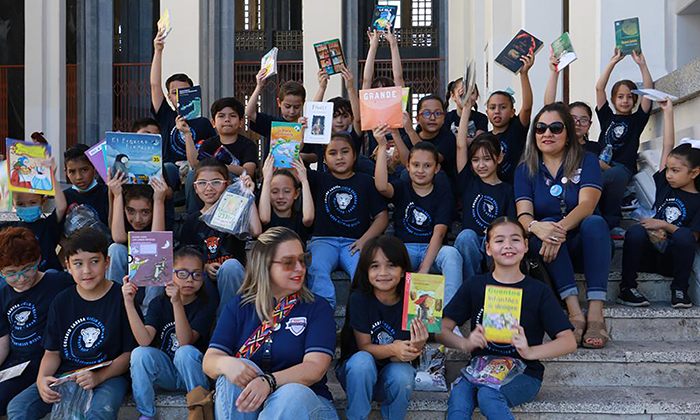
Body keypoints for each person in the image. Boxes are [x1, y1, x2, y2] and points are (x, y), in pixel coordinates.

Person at [436, 216, 577, 420]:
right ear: (488, 248)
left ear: (526, 245)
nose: (508, 246)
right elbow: (441, 328)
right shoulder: (475, 286)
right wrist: (465, 343)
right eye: (499, 240)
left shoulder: (538, 291)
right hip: (480, 370)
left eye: (515, 240)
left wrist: (529, 351)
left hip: (525, 374)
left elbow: (568, 341)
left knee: (488, 394)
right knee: (458, 401)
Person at [202, 227, 338, 420]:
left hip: (310, 406)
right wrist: (226, 363)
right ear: (264, 266)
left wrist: (269, 381)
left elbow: (314, 368)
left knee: (291, 394)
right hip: (254, 408)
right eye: (288, 263)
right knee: (233, 370)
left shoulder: (317, 308)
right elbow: (209, 361)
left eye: (303, 259)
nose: (299, 268)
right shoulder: (239, 307)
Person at [6, 227, 136, 420]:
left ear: (107, 262)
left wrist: (99, 376)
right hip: (66, 374)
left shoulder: (120, 298)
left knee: (99, 412)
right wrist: (42, 379)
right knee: (19, 406)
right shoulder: (61, 301)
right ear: (67, 266)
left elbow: (128, 355)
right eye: (78, 263)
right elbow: (52, 353)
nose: (87, 270)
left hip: (108, 376)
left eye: (94, 261)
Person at [515, 103, 611, 349]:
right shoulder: (526, 169)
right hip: (550, 252)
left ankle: (596, 315)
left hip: (584, 245)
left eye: (555, 128)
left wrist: (556, 232)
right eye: (540, 128)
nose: (547, 134)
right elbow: (524, 215)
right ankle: (575, 313)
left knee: (595, 223)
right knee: (543, 225)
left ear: (568, 132)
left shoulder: (587, 161)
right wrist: (538, 227)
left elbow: (587, 205)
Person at [619, 99, 700, 308]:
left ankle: (680, 290)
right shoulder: (666, 185)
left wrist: (663, 225)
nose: (669, 174)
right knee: (636, 232)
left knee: (683, 234)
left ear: (694, 173)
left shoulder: (698, 200)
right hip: (650, 253)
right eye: (669, 169)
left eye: (676, 170)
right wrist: (668, 112)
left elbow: (692, 237)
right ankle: (627, 287)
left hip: (673, 259)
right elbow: (667, 146)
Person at [336, 235, 427, 420]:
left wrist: (417, 345)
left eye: (391, 265)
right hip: (356, 376)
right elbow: (364, 348)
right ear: (366, 271)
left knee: (403, 374)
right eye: (375, 266)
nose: (383, 272)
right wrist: (395, 347)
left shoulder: (415, 302)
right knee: (362, 361)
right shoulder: (359, 298)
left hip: (390, 373)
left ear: (403, 271)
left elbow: (400, 357)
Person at [123, 247, 216, 420]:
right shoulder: (158, 303)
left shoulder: (206, 305)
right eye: (182, 273)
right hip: (168, 373)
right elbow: (144, 339)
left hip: (193, 373)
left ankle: (199, 409)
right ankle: (146, 414)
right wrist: (128, 302)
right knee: (140, 353)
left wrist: (177, 303)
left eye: (196, 274)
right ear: (169, 274)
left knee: (184, 352)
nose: (189, 280)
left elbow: (185, 341)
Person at [374, 128, 463, 303]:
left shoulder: (443, 193)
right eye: (415, 165)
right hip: (405, 248)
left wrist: (425, 268)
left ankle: (449, 316)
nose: (420, 170)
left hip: (433, 249)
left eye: (427, 165)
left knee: (452, 255)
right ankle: (392, 308)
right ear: (407, 166)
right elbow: (382, 186)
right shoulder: (402, 186)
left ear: (437, 168)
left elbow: (439, 233)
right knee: (385, 256)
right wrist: (382, 147)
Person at [306, 133, 389, 309]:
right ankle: (324, 312)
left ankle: (359, 314)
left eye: (345, 152)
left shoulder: (366, 181)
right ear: (325, 159)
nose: (339, 157)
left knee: (363, 271)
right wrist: (298, 136)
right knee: (317, 267)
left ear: (354, 156)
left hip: (355, 243)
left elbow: (382, 217)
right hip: (323, 241)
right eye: (333, 153)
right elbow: (290, 165)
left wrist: (365, 240)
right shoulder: (319, 179)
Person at [0, 227, 74, 415]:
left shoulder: (58, 282)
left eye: (27, 269)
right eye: (11, 273)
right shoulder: (3, 295)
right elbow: (3, 343)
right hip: (14, 361)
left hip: (42, 359)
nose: (21, 278)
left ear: (38, 260)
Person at [176, 158, 261, 315]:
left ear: (227, 184)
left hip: (233, 278)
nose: (208, 188)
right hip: (204, 280)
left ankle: (227, 322)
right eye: (202, 183)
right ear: (194, 188)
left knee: (230, 266)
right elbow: (186, 256)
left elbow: (256, 231)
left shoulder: (235, 213)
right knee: (197, 272)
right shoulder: (192, 220)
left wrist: (249, 194)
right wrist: (204, 267)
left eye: (216, 182)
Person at [453, 100, 516, 280]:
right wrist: (466, 108)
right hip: (472, 245)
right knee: (466, 236)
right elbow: (460, 145)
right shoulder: (468, 181)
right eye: (475, 160)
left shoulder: (508, 190)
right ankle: (472, 285)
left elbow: (510, 224)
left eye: (487, 159)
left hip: (497, 244)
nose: (481, 165)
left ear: (499, 158)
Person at [595, 49, 653, 230]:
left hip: (621, 169)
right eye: (620, 97)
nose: (625, 100)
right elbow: (599, 88)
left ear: (635, 100)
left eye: (630, 97)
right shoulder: (607, 117)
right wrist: (612, 62)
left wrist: (641, 64)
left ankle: (612, 222)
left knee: (615, 173)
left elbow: (648, 90)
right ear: (613, 100)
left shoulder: (637, 120)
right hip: (601, 166)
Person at [149, 26, 216, 184]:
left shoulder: (203, 123)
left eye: (184, 91)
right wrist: (158, 50)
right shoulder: (166, 115)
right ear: (169, 97)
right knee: (169, 169)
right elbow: (154, 85)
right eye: (174, 92)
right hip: (169, 171)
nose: (179, 95)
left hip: (195, 172)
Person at [182, 97, 259, 213]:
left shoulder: (248, 144)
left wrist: (221, 166)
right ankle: (194, 217)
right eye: (221, 116)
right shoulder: (209, 143)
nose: (227, 120)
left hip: (236, 189)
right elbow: (196, 165)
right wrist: (187, 133)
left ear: (241, 122)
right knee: (193, 175)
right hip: (211, 186)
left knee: (230, 176)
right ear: (213, 123)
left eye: (232, 116)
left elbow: (248, 171)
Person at [106, 172, 169, 310]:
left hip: (152, 268)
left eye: (145, 212)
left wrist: (158, 201)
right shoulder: (121, 211)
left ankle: (149, 314)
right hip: (129, 266)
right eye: (131, 211)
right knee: (115, 249)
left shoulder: (161, 207)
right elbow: (119, 238)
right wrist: (117, 196)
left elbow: (156, 242)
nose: (138, 219)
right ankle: (115, 307)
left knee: (158, 253)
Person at [0, 158, 66, 272]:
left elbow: (61, 206)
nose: (27, 207)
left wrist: (52, 176)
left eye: (33, 202)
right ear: (14, 204)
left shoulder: (48, 225)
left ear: (43, 201)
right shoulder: (10, 228)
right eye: (21, 204)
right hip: (22, 281)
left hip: (48, 277)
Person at [486, 54, 535, 184]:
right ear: (487, 113)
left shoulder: (516, 130)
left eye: (503, 107)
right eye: (492, 108)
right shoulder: (485, 138)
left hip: (516, 187)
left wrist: (523, 74)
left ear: (512, 112)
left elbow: (527, 108)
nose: (497, 111)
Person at [544, 53, 599, 155]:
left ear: (590, 124)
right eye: (573, 118)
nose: (578, 123)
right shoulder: (560, 145)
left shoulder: (596, 148)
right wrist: (554, 72)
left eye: (583, 120)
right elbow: (548, 108)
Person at [259, 155, 314, 242]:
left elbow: (309, 218)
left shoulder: (299, 219)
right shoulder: (268, 217)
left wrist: (304, 180)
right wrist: (266, 180)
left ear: (296, 194)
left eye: (287, 191)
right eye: (275, 192)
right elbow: (264, 218)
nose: (281, 196)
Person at [403, 95, 458, 181]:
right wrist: (395, 133)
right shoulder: (408, 138)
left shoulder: (448, 137)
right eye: (427, 113)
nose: (432, 118)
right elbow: (405, 164)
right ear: (417, 119)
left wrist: (410, 131)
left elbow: (433, 158)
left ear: (444, 118)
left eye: (438, 113)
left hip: (442, 187)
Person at [63, 144, 110, 230]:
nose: (79, 177)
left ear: (95, 168)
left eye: (84, 170)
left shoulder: (107, 193)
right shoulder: (64, 197)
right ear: (66, 172)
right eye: (72, 172)